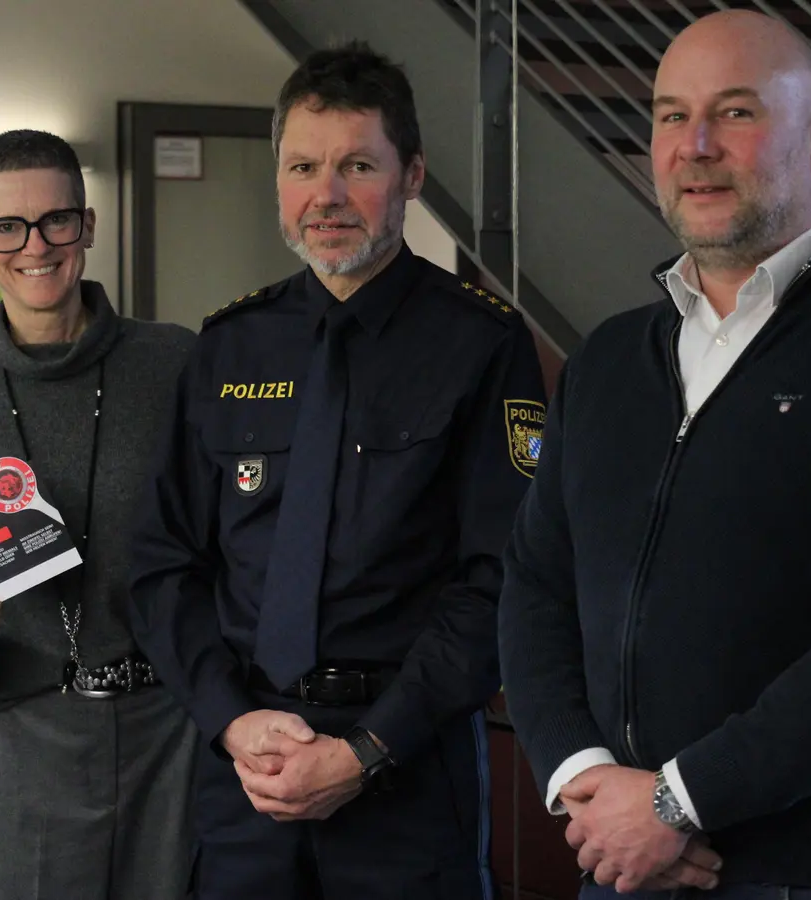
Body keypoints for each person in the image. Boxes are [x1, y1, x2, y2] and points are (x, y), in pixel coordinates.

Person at [496, 10, 811, 899]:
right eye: (670, 115)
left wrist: (676, 803)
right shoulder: (610, 361)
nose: (694, 146)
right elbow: (539, 586)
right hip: (621, 865)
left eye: (735, 113)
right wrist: (583, 780)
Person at [129, 41, 547, 899]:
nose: (326, 195)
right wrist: (230, 721)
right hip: (249, 771)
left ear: (412, 175)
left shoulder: (480, 344)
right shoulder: (226, 346)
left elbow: (499, 580)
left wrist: (367, 750)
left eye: (357, 164)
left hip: (406, 769)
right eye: (303, 166)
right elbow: (161, 565)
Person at [0, 129, 198, 900]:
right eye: (7, 227)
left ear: (87, 226)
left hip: (172, 729)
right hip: (16, 735)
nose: (36, 245)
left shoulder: (177, 366)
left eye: (57, 220)